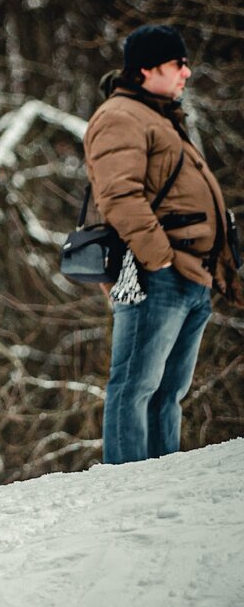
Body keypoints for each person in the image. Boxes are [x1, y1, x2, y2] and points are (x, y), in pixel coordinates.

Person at [83, 24, 240, 464]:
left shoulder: (160, 117)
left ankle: (161, 483)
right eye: (178, 64)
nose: (187, 73)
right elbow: (118, 195)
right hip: (159, 275)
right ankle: (128, 486)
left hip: (193, 275)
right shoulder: (121, 116)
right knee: (135, 387)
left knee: (168, 393)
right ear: (148, 69)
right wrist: (162, 260)